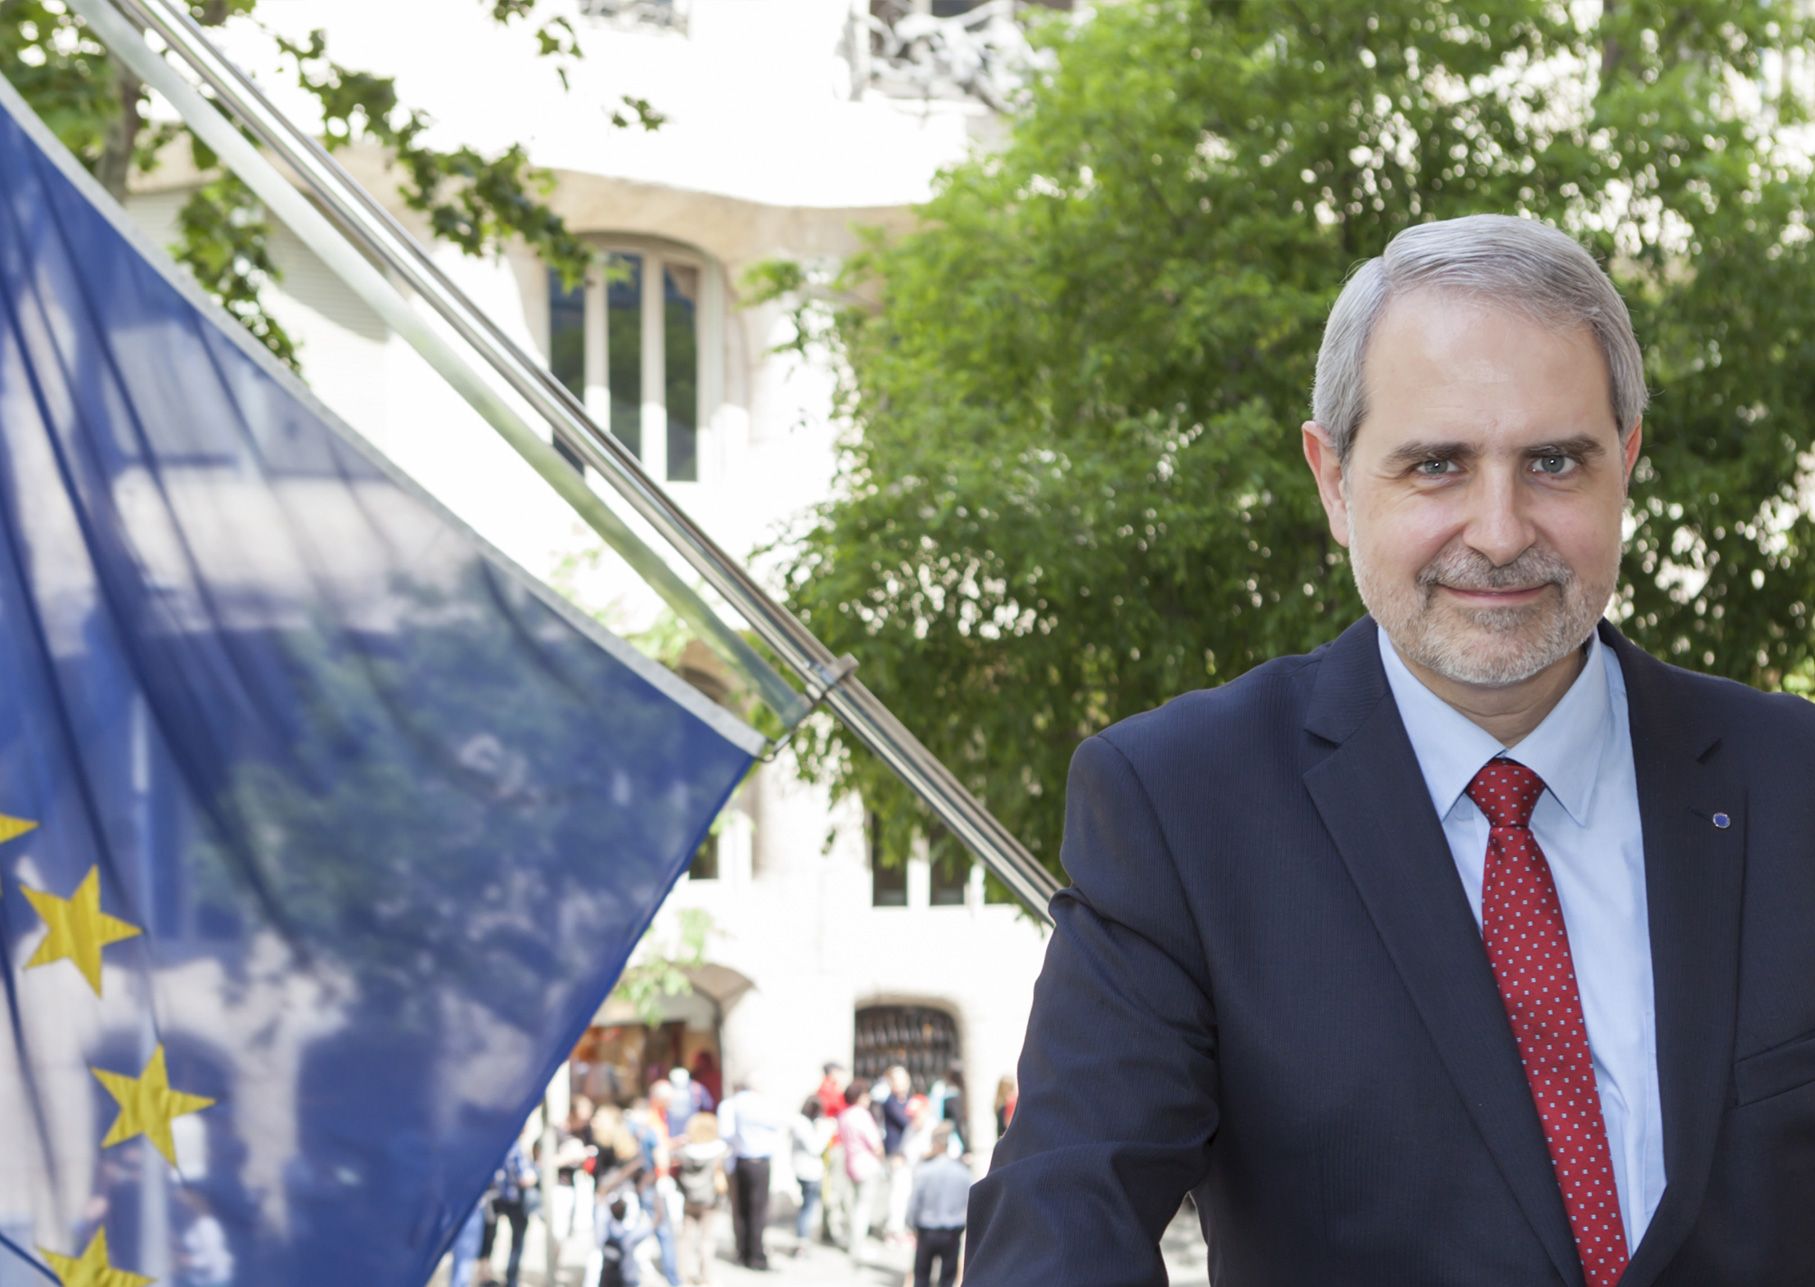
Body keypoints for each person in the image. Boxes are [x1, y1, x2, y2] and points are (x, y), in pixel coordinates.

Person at [965, 213, 1815, 1285]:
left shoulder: (1795, 785)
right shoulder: (1180, 808)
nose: (1500, 532)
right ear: (1333, 480)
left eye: (1554, 462)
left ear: (1627, 462)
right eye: (1436, 465)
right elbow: (1058, 1224)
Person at [717, 1076, 782, 1270]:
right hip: (757, 1160)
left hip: (739, 1160)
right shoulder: (760, 1104)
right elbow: (776, 1124)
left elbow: (726, 1134)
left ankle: (742, 1251)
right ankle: (755, 1255)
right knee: (757, 1210)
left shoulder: (730, 1105)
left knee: (740, 1209)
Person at [907, 1124, 970, 1287]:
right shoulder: (962, 1172)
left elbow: (915, 1200)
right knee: (947, 1278)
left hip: (928, 1229)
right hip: (951, 1231)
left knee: (922, 1276)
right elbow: (968, 1202)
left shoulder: (925, 1170)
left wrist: (910, 1222)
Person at [674, 1113, 727, 1286]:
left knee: (685, 1239)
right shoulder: (718, 1151)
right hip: (709, 1201)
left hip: (689, 1199)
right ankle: (706, 1276)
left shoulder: (685, 1151)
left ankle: (682, 1275)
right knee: (707, 1240)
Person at [838, 1079, 886, 1269]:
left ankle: (853, 1241)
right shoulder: (862, 1116)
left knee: (854, 1205)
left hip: (851, 1164)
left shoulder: (844, 1115)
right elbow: (875, 1144)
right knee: (863, 1208)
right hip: (866, 1164)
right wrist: (881, 1159)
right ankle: (857, 1245)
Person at [482, 1138, 539, 1287]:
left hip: (499, 1198)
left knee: (491, 1239)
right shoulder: (514, 1147)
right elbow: (523, 1177)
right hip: (514, 1200)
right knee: (516, 1242)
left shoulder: (498, 1144)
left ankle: (488, 1277)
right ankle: (510, 1280)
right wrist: (535, 1173)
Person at [788, 1096, 835, 1254]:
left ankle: (803, 1239)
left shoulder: (802, 1124)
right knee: (807, 1208)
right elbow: (815, 1147)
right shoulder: (803, 1124)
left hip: (805, 1170)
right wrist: (826, 1131)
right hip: (809, 1172)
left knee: (807, 1207)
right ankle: (802, 1241)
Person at [597, 1192, 655, 1287]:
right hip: (626, 1280)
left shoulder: (603, 1232)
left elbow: (600, 1212)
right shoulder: (631, 1235)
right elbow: (653, 1224)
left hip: (607, 1280)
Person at [992, 1075, 1016, 1140]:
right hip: (1007, 1138)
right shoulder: (1008, 1103)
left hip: (1002, 1138)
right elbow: (1008, 1124)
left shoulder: (999, 1104)